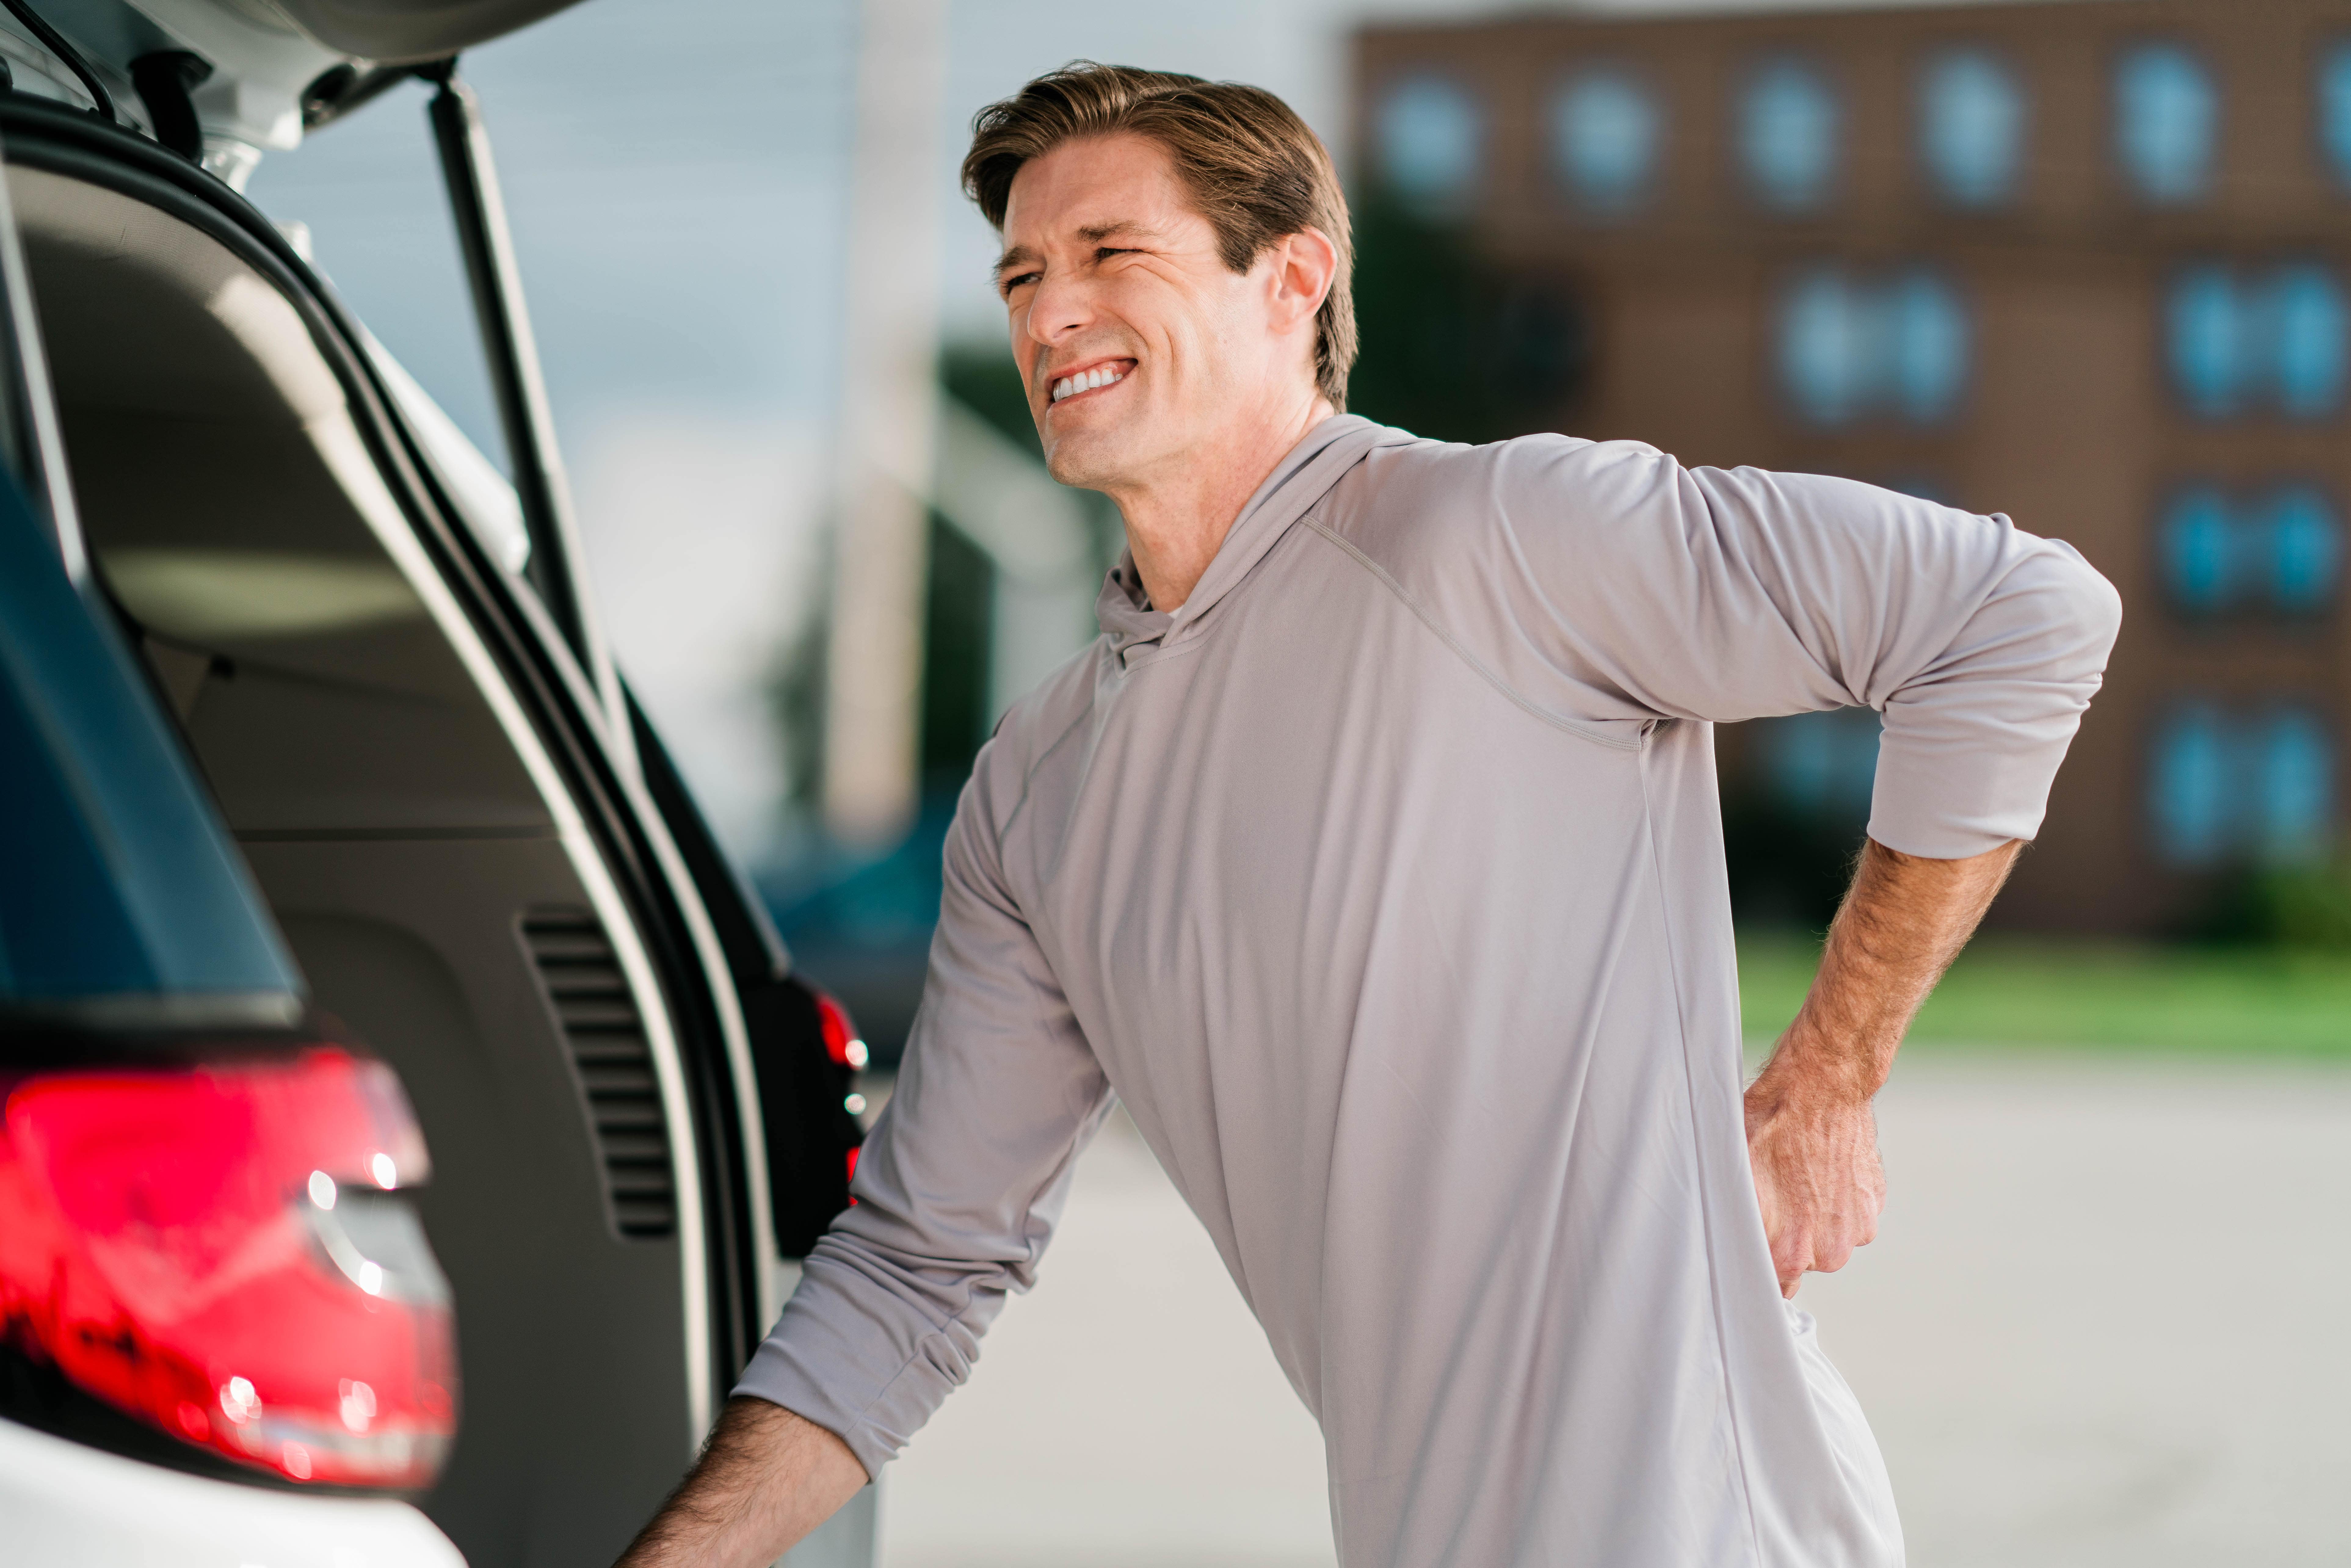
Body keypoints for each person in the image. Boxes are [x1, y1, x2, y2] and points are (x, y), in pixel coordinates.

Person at [616, 62, 2120, 1568]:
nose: (1046, 312)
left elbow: (2019, 614)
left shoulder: (1500, 539)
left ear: (1293, 280)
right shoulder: (1039, 790)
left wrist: (1829, 1077)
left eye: (1109, 255)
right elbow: (914, 1271)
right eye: (1021, 273)